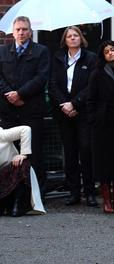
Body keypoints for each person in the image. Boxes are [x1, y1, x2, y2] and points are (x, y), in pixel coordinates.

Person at [49, 26, 98, 207]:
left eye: (75, 35)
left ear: (81, 38)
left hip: (83, 111)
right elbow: (52, 84)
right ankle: (74, 192)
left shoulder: (91, 58)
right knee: (69, 153)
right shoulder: (57, 58)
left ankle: (90, 192)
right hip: (64, 113)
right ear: (65, 40)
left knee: (86, 151)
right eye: (69, 36)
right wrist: (64, 104)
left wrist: (75, 103)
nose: (72, 38)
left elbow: (92, 85)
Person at [0, 16, 50, 190]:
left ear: (31, 31)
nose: (21, 32)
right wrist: (10, 95)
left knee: (33, 151)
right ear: (12, 32)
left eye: (25, 29)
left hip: (31, 110)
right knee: (9, 152)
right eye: (18, 29)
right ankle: (10, 191)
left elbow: (42, 77)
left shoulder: (41, 51)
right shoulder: (2, 51)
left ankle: (36, 192)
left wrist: (21, 94)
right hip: (8, 111)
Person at [86, 40, 114, 214]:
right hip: (102, 123)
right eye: (106, 51)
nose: (110, 53)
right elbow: (91, 98)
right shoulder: (97, 73)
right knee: (103, 162)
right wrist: (93, 118)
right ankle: (106, 200)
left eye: (113, 49)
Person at [0, 125, 45, 216]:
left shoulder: (1, 134)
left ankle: (18, 204)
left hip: (12, 173)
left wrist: (23, 154)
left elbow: (25, 129)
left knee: (23, 163)